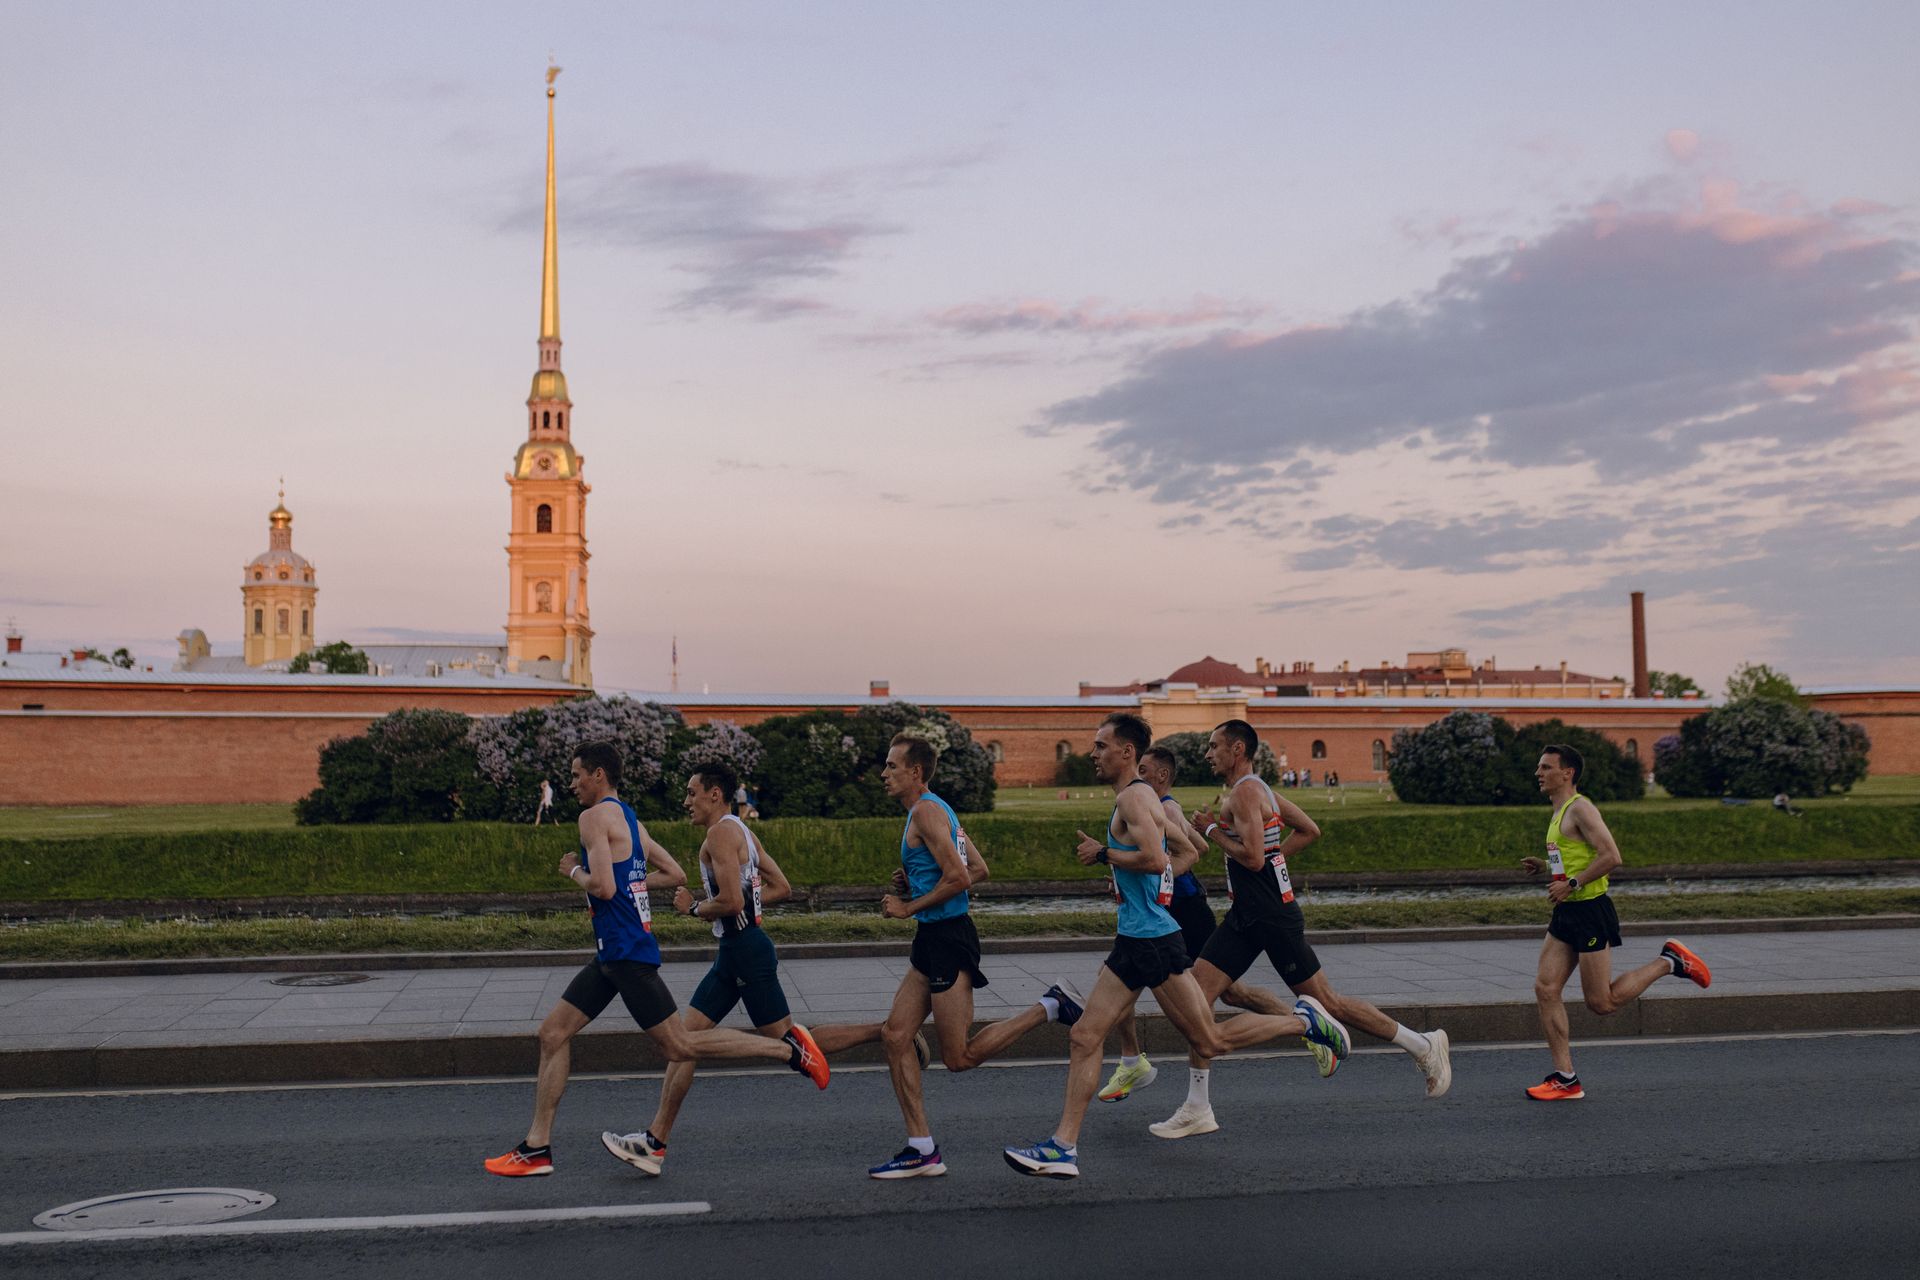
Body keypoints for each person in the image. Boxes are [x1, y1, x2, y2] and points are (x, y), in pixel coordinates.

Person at [1002, 714, 1349, 1178]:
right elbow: (1186, 855)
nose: (1093, 754)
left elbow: (1156, 857)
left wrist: (1105, 856)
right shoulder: (1139, 798)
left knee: (1211, 1039)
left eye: (1102, 746)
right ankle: (1063, 1147)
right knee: (1085, 1035)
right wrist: (1141, 887)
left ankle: (1301, 1020)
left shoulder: (1134, 797)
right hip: (1136, 936)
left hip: (1153, 942)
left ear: (1128, 752)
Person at [484, 741, 829, 1178]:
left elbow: (604, 888)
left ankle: (788, 1052)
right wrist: (633, 884)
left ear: (598, 776)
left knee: (679, 1045)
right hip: (612, 953)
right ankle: (536, 1148)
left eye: (576, 776)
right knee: (553, 1033)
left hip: (626, 954)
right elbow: (674, 875)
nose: (571, 784)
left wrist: (573, 870)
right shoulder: (630, 819)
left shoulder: (592, 818)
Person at [1156, 719, 1452, 1140]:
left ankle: (1423, 1045)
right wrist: (1274, 864)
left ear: (1237, 749)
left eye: (1214, 746)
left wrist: (1210, 832)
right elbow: (1308, 831)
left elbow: (1255, 858)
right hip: (1247, 917)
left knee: (1328, 1002)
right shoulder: (1262, 791)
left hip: (1272, 918)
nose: (1207, 754)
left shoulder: (1245, 792)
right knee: (1197, 999)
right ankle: (1198, 1106)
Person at [808, 734, 1069, 1179]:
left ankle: (1050, 1006)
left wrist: (907, 906)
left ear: (915, 772)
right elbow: (978, 869)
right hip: (932, 941)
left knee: (959, 1057)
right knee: (895, 1036)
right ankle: (921, 1148)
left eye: (892, 766)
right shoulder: (932, 810)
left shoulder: (927, 811)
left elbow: (960, 878)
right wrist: (915, 878)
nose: (884, 774)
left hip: (948, 939)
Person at [599, 764, 804, 1177]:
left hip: (746, 952)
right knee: (684, 1041)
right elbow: (781, 887)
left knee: (792, 1042)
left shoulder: (722, 834)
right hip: (735, 950)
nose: (686, 801)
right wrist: (748, 899)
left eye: (692, 793)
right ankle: (654, 1143)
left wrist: (694, 907)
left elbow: (730, 902)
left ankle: (887, 1036)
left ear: (714, 794)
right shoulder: (743, 831)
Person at [1097, 744, 1292, 1104]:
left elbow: (1188, 851)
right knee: (1117, 982)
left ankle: (1304, 1025)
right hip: (1165, 912)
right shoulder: (1150, 803)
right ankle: (1131, 1059)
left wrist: (1158, 875)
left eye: (1143, 769)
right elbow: (1189, 851)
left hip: (1184, 910)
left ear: (1162, 776)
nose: (1136, 775)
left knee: (1228, 996)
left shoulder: (1165, 806)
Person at [1523, 744, 1711, 1100]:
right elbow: (1577, 858)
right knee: (1545, 989)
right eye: (1539, 767)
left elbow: (1612, 856)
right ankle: (1566, 1078)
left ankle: (1670, 961)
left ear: (1568, 773)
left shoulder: (1581, 809)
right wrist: (1547, 868)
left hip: (1591, 910)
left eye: (1546, 767)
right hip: (1567, 912)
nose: (1539, 773)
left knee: (1602, 1003)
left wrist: (1572, 884)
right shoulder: (1558, 810)